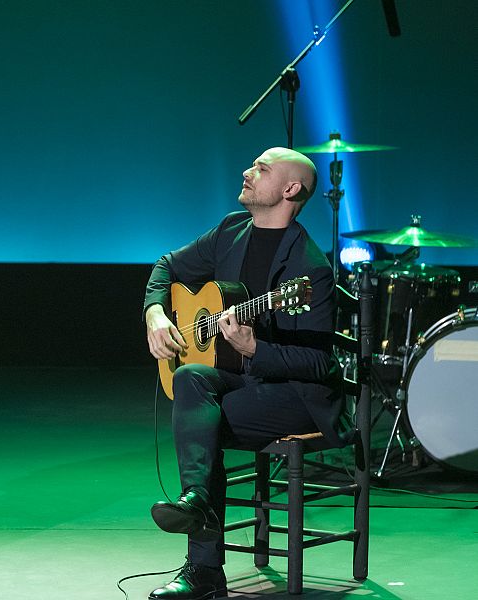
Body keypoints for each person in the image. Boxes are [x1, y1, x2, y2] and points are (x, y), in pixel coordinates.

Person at [143, 147, 342, 599]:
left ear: (290, 190)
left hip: (295, 396)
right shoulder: (231, 230)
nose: (247, 171)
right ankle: (198, 504)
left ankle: (204, 567)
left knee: (200, 425)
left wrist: (255, 347)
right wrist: (155, 313)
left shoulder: (310, 269)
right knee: (191, 376)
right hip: (246, 383)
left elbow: (320, 364)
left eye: (261, 169)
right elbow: (165, 267)